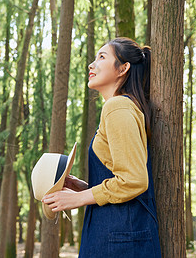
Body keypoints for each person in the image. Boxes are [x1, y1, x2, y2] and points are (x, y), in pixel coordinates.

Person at [42, 37, 162, 257]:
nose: (91, 64)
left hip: (120, 241)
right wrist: (84, 187)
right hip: (115, 236)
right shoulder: (121, 107)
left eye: (102, 57)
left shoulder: (118, 107)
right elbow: (122, 181)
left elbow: (134, 180)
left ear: (123, 68)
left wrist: (78, 199)